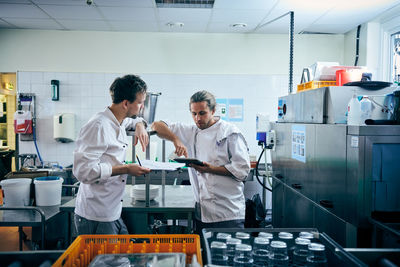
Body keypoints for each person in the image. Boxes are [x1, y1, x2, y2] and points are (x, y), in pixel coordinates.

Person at [151, 90, 250, 232]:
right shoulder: (191, 131)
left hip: (228, 213)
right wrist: (176, 140)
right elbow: (156, 125)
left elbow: (243, 170)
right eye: (194, 113)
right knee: (205, 253)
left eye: (202, 113)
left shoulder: (230, 133)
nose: (198, 118)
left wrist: (210, 169)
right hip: (203, 213)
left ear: (213, 110)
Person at [73, 74, 151, 235]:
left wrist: (140, 126)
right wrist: (126, 169)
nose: (142, 107)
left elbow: (136, 121)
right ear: (125, 103)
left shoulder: (119, 120)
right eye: (140, 103)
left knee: (121, 258)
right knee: (104, 261)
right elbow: (83, 172)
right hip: (95, 215)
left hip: (112, 211)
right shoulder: (98, 126)